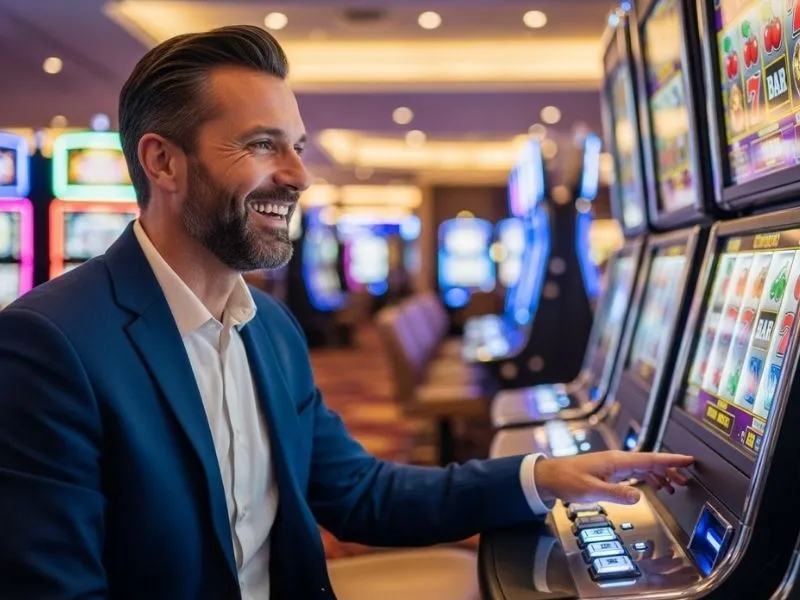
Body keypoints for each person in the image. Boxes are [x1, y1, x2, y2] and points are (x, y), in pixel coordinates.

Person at [0, 25, 693, 599]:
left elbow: (359, 494)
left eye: (297, 147)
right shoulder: (50, 344)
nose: (300, 176)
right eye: (262, 144)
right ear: (163, 163)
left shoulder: (268, 329)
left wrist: (541, 477)